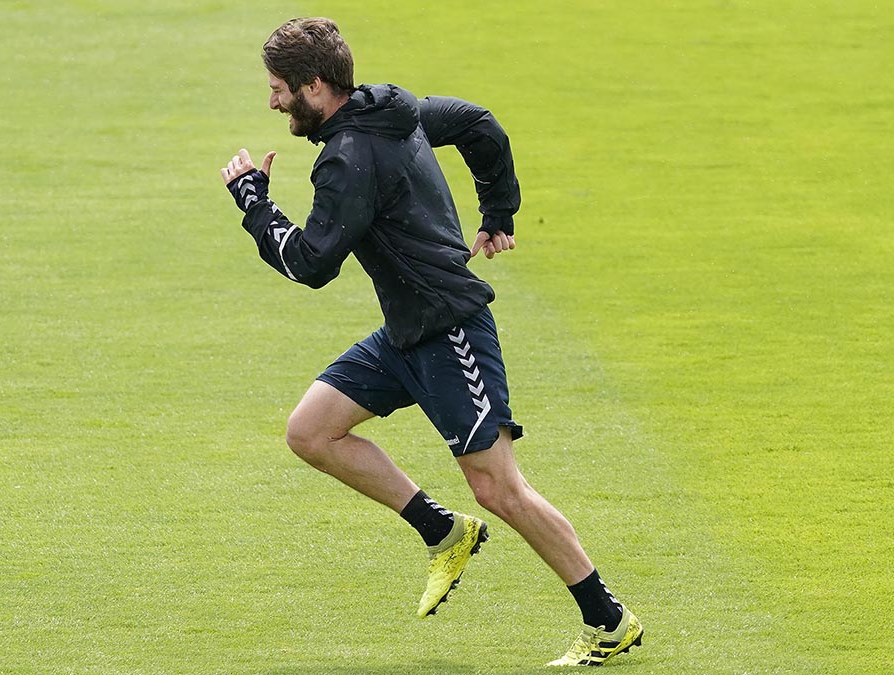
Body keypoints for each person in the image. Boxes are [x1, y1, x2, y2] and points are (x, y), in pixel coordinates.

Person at [219, 17, 643, 667]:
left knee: (499, 488)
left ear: (315, 86)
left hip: (450, 332)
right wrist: (498, 212)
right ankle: (442, 531)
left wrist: (255, 203)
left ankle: (608, 620)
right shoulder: (396, 109)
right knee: (311, 431)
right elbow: (478, 123)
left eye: (279, 89)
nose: (272, 102)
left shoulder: (347, 159)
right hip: (406, 332)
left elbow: (311, 264)